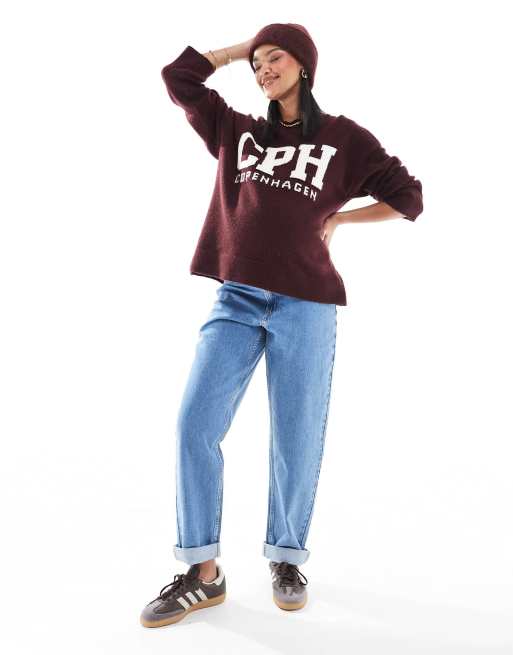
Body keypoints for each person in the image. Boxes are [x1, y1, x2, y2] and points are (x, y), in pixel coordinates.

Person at [140, 23, 423, 628]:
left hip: (306, 304)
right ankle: (203, 574)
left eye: (275, 58)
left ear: (304, 65)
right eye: (257, 63)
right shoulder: (236, 131)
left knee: (296, 438)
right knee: (194, 425)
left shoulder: (343, 139)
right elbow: (178, 77)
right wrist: (241, 49)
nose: (263, 69)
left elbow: (408, 197)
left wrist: (341, 221)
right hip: (238, 299)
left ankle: (287, 559)